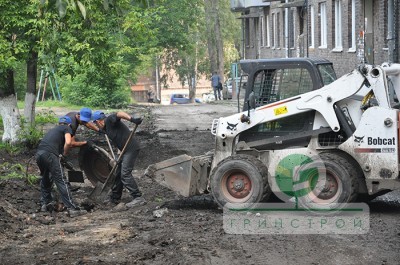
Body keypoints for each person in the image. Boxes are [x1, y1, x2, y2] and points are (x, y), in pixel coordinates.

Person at [91, 110, 146, 208]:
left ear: (98, 121)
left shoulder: (109, 120)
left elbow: (119, 113)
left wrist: (132, 120)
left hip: (131, 149)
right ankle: (115, 197)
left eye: (95, 123)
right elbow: (117, 137)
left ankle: (138, 197)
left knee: (125, 174)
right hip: (124, 151)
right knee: (118, 174)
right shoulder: (105, 129)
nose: (96, 125)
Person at [35, 116, 87, 217]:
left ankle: (45, 204)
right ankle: (72, 208)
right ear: (68, 124)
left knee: (46, 178)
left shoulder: (53, 130)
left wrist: (60, 156)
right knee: (61, 180)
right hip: (50, 155)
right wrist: (65, 153)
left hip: (39, 154)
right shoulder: (67, 128)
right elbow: (68, 142)